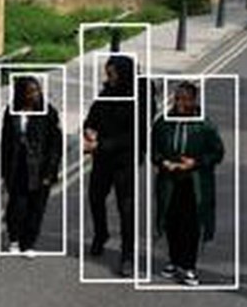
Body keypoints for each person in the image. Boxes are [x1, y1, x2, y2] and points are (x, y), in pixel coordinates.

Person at [152, 81, 225, 286]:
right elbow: (153, 148)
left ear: (194, 101)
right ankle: (174, 261)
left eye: (185, 100)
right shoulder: (163, 123)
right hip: (169, 182)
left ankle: (188, 266)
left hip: (195, 185)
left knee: (191, 226)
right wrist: (162, 161)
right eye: (177, 99)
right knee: (171, 222)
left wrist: (195, 162)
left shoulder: (205, 125)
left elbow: (217, 153)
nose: (179, 104)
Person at [83, 55, 137, 276]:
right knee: (95, 197)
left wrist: (100, 144)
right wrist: (88, 129)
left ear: (123, 73)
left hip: (124, 161)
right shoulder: (106, 93)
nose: (109, 78)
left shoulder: (137, 98)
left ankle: (127, 256)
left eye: (112, 74)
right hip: (102, 160)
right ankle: (101, 233)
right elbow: (92, 117)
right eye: (107, 73)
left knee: (126, 209)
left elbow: (134, 135)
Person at [1, 75, 64, 253]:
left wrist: (50, 173)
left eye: (37, 90)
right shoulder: (11, 111)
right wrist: (3, 170)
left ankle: (28, 243)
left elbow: (55, 146)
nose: (35, 94)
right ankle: (14, 238)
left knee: (36, 208)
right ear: (21, 94)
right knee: (16, 207)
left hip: (40, 169)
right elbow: (5, 142)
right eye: (31, 91)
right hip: (17, 167)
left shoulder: (49, 112)